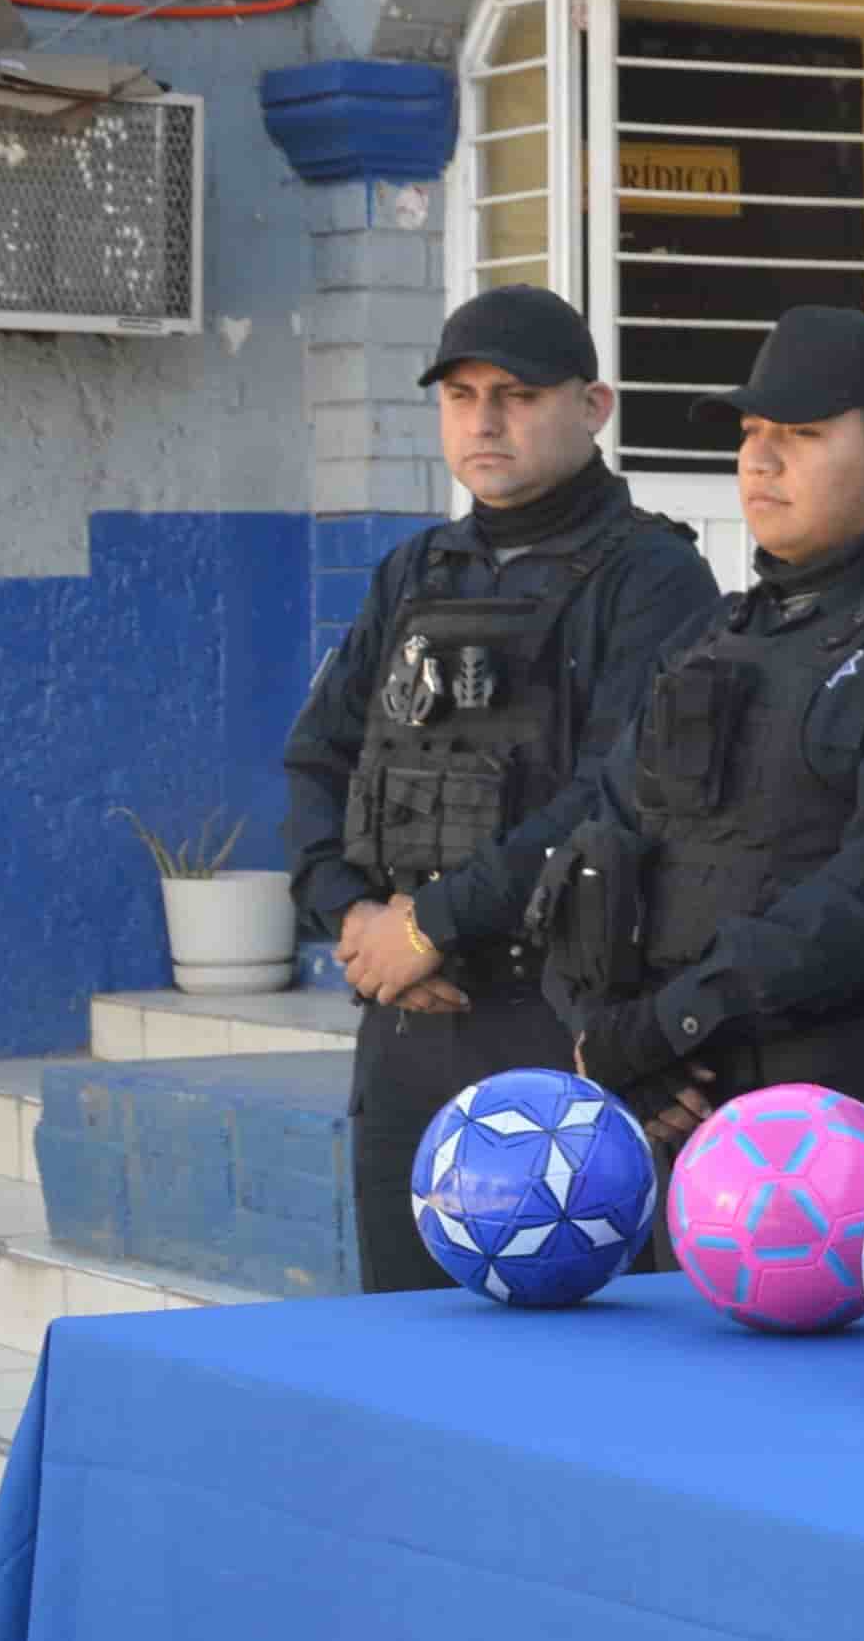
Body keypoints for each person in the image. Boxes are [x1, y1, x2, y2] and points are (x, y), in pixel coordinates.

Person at [527, 305, 864, 1156]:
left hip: (849, 1118)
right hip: (673, 1108)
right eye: (751, 431)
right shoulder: (714, 637)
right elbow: (600, 843)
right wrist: (612, 1036)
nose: (760, 459)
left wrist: (665, 1028)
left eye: (803, 433)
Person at [282, 289, 722, 1292]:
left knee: (580, 1362)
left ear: (595, 405)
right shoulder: (414, 571)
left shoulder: (652, 579)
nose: (483, 421)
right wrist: (354, 920)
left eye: (518, 395)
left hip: (558, 1023)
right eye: (462, 395)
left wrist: (430, 922)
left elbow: (615, 796)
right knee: (408, 1342)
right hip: (406, 1017)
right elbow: (318, 761)